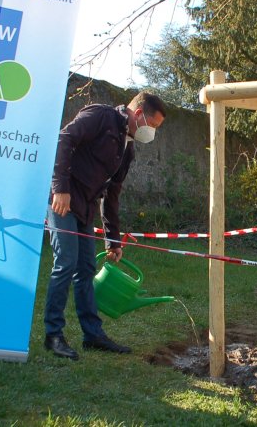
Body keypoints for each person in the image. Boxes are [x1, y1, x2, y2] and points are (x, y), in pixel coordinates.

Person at [44, 92, 166, 360]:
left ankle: (92, 335)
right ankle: (54, 335)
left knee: (86, 268)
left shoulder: (128, 148)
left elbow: (112, 195)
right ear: (137, 114)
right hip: (63, 201)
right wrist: (60, 188)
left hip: (86, 208)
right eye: (152, 125)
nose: (152, 132)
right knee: (66, 262)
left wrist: (113, 240)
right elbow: (64, 140)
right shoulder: (100, 116)